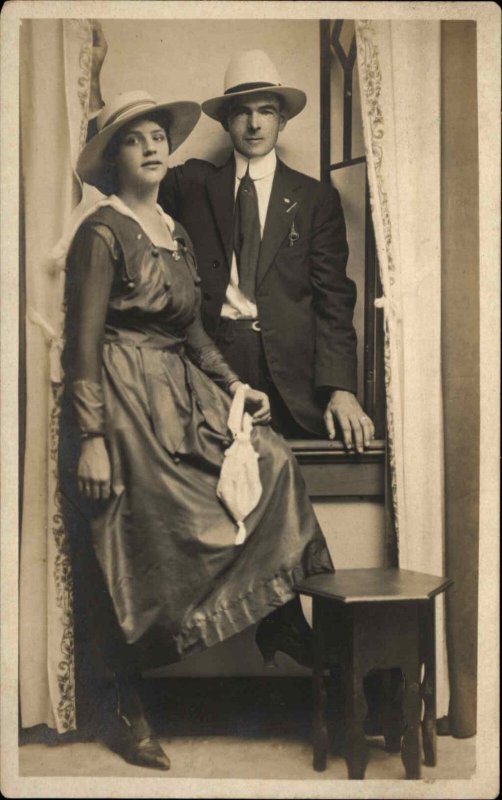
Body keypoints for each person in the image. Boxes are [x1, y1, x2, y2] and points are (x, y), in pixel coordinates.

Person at [60, 89, 335, 771]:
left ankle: (278, 618)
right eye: (134, 139)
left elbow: (192, 331)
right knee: (138, 539)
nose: (153, 146)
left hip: (181, 397)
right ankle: (127, 704)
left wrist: (236, 386)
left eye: (159, 135)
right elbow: (82, 345)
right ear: (110, 158)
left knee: (272, 461)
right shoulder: (102, 232)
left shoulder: (172, 230)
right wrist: (91, 436)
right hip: (124, 407)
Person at [89, 29, 375, 450]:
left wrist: (340, 388)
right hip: (209, 375)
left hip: (294, 387)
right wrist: (92, 82)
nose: (255, 123)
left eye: (266, 111)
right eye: (243, 112)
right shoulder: (190, 184)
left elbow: (334, 299)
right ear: (225, 120)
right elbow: (107, 172)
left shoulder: (315, 199)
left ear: (283, 118)